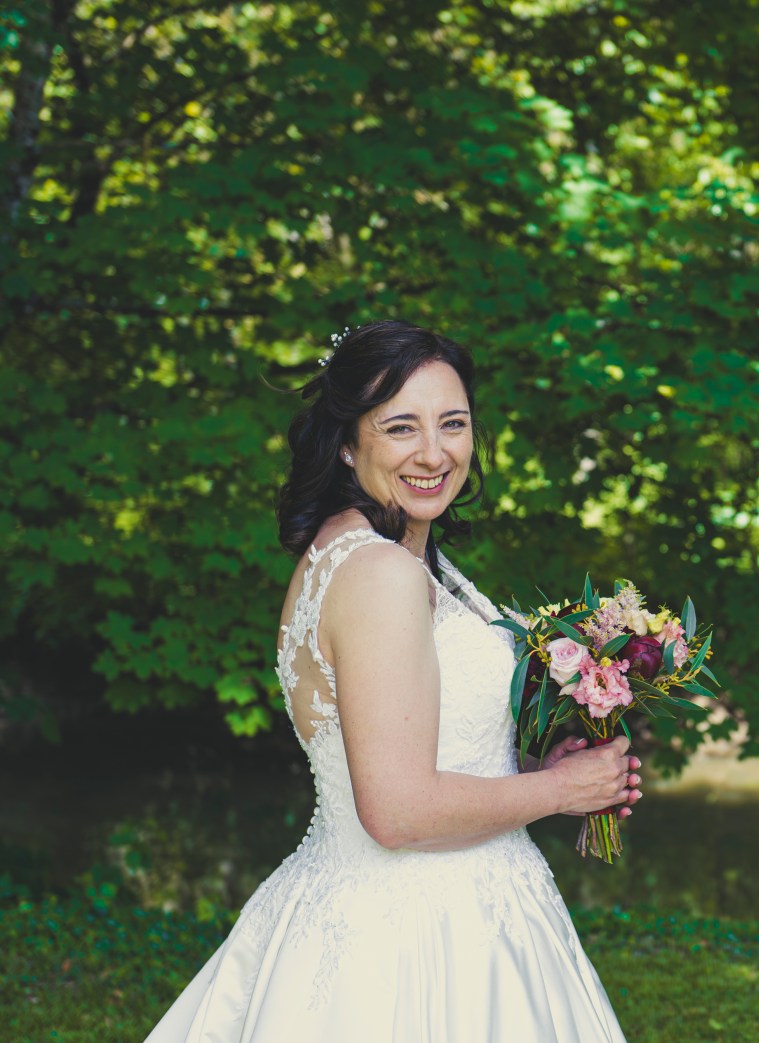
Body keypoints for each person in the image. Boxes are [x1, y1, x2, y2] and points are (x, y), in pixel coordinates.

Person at [146, 320, 638, 1042]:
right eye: (401, 427)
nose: (434, 453)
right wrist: (562, 793)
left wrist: (530, 767)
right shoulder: (380, 574)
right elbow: (398, 810)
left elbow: (413, 748)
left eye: (454, 424)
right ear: (349, 441)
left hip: (448, 904)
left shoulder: (376, 550)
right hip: (414, 934)